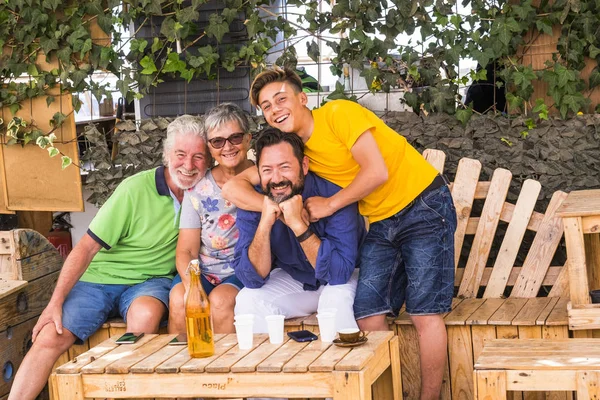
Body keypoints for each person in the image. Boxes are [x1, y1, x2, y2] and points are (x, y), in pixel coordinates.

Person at [223, 67, 457, 400]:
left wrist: (329, 205)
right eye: (266, 106)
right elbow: (233, 186)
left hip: (422, 203)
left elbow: (377, 171)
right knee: (369, 310)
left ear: (303, 98)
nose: (275, 110)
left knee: (423, 311)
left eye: (281, 99)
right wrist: (267, 210)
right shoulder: (295, 156)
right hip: (381, 219)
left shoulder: (338, 114)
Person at [8, 115, 210, 400]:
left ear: (208, 160)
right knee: (49, 335)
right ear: (167, 155)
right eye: (180, 155)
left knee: (146, 315)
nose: (188, 165)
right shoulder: (135, 189)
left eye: (198, 157)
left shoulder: (205, 193)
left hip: (151, 282)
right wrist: (55, 303)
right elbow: (86, 248)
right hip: (99, 280)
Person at [232, 127, 366, 333]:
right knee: (248, 301)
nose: (276, 179)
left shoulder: (333, 191)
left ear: (304, 165)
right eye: (267, 170)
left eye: (284, 167)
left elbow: (338, 273)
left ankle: (341, 366)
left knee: (334, 303)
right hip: (298, 279)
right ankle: (269, 364)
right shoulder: (255, 200)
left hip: (347, 277)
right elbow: (250, 278)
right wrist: (266, 222)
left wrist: (298, 225)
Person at [169, 103, 254, 334]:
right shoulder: (198, 188)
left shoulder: (262, 178)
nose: (227, 147)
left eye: (235, 138)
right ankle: (174, 365)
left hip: (244, 270)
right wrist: (192, 286)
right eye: (217, 141)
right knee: (179, 297)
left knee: (221, 300)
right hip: (205, 272)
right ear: (210, 147)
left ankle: (224, 369)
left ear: (248, 139)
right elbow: (186, 249)